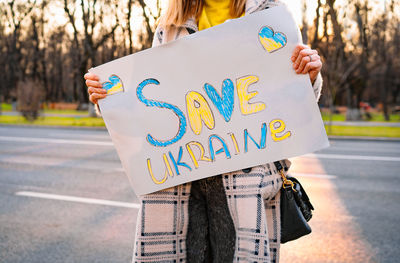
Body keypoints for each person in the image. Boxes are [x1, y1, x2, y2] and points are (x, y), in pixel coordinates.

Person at [84, 0, 323, 262]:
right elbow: (154, 107)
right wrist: (110, 99)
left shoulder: (270, 15)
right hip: (182, 179)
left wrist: (308, 76)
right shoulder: (171, 24)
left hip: (244, 178)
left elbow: (290, 99)